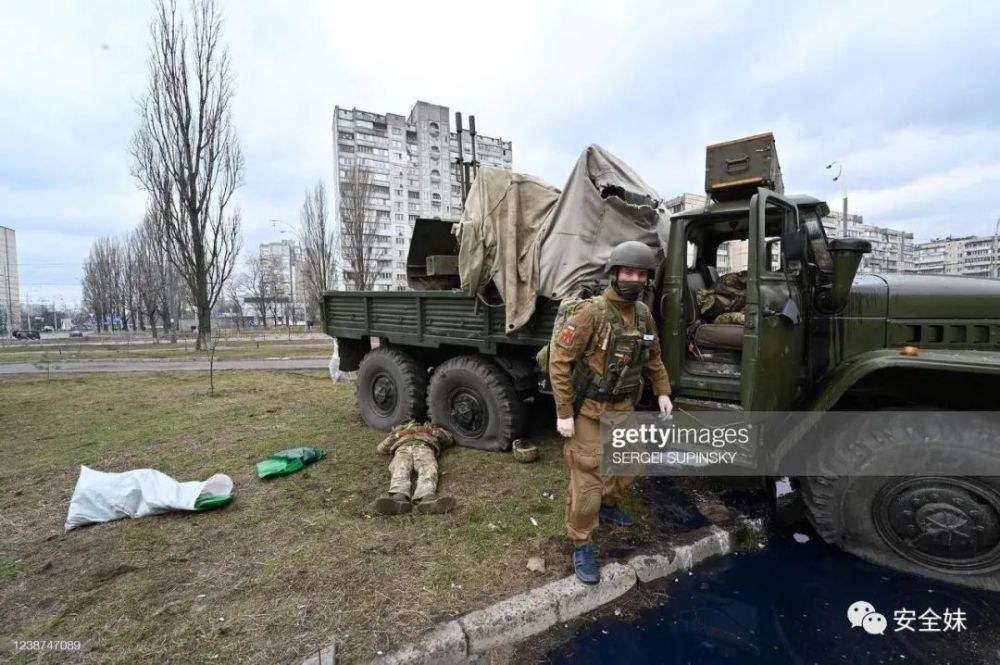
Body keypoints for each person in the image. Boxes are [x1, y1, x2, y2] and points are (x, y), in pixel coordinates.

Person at [547, 241, 673, 584]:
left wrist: (662, 391)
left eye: (640, 273)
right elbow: (559, 361)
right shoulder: (592, 313)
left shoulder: (644, 314)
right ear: (615, 274)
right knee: (587, 481)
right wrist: (564, 412)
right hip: (588, 410)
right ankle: (582, 542)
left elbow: (653, 357)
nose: (634, 278)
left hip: (622, 407)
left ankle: (609, 503)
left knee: (630, 464)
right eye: (628, 272)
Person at [373, 421, 457, 515]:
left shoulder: (432, 426)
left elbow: (449, 440)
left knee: (428, 467)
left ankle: (427, 498)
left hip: (424, 446)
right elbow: (381, 448)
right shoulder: (400, 429)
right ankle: (398, 498)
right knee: (401, 466)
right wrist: (399, 434)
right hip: (403, 448)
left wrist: (430, 431)